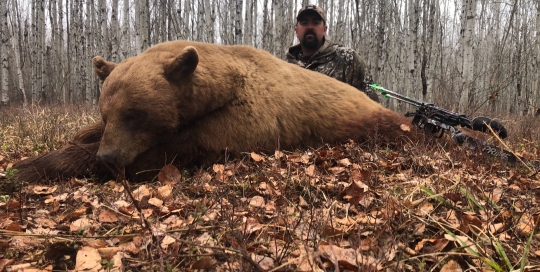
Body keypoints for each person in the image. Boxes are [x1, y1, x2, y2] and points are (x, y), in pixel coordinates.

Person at [286, 4, 379, 102]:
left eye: (315, 23)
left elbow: (373, 105)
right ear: (296, 31)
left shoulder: (348, 59)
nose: (310, 27)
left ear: (324, 30)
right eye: (304, 23)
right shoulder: (287, 67)